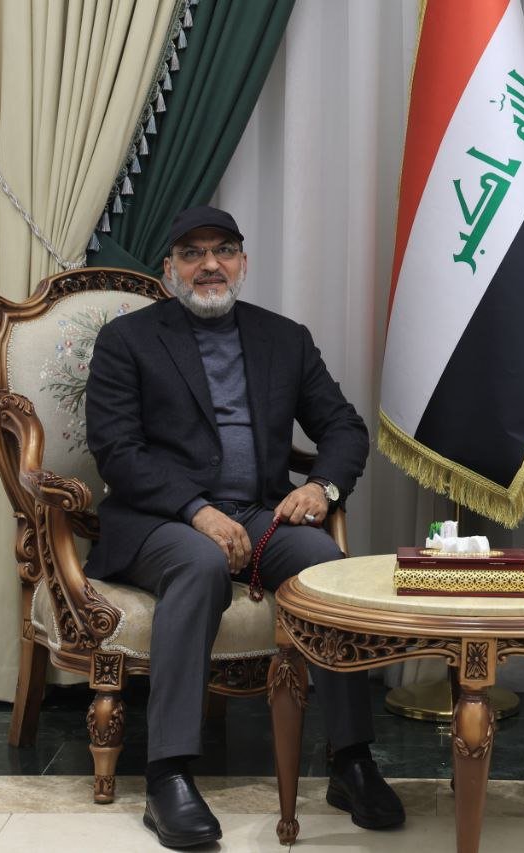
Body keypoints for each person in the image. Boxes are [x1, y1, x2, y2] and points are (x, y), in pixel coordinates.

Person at [85, 206, 405, 847]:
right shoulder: (128, 340)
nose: (210, 264)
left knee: (328, 568)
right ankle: (168, 776)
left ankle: (351, 761)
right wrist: (196, 510)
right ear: (171, 267)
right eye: (193, 253)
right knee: (199, 561)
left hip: (259, 512)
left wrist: (320, 487)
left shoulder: (283, 338)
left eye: (223, 250)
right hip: (160, 520)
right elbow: (117, 450)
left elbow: (343, 427)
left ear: (243, 262)